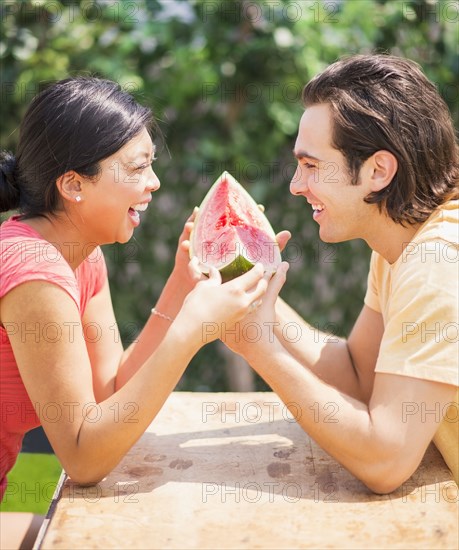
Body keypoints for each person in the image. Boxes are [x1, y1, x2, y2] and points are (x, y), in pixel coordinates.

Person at [0, 76, 276, 548]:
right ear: (72, 184)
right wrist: (191, 331)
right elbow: (85, 459)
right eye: (138, 168)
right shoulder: (34, 269)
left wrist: (178, 290)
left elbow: (108, 394)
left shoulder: (82, 256)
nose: (155, 182)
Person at [222, 54, 458, 494]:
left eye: (311, 165)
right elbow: (358, 375)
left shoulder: (437, 265)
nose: (295, 184)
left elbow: (385, 460)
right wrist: (256, 295)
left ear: (378, 171)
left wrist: (261, 352)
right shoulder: (401, 242)